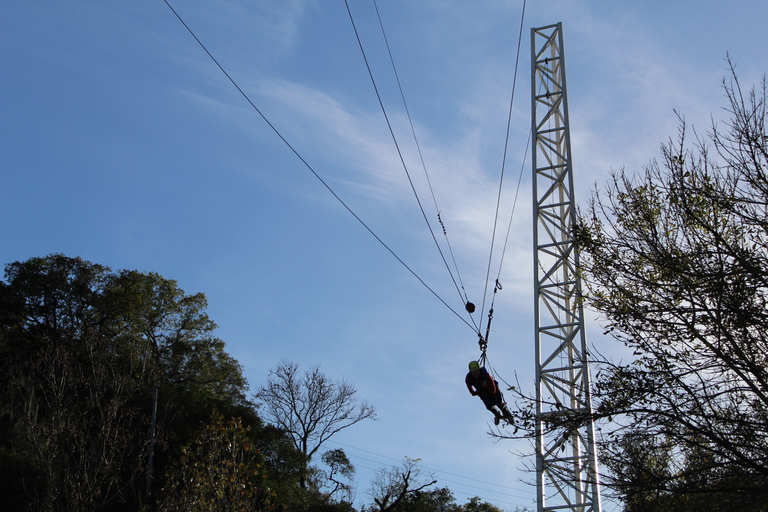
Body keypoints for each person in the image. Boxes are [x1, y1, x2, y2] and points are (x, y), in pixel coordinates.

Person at [465, 360, 512, 425]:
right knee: (489, 407)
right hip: (484, 395)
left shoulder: (486, 376)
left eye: (477, 371)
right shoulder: (469, 379)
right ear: (470, 372)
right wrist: (479, 391)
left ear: (479, 370)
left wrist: (485, 386)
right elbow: (472, 392)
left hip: (495, 393)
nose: (475, 373)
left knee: (500, 404)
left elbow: (493, 389)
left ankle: (508, 415)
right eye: (473, 372)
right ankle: (497, 414)